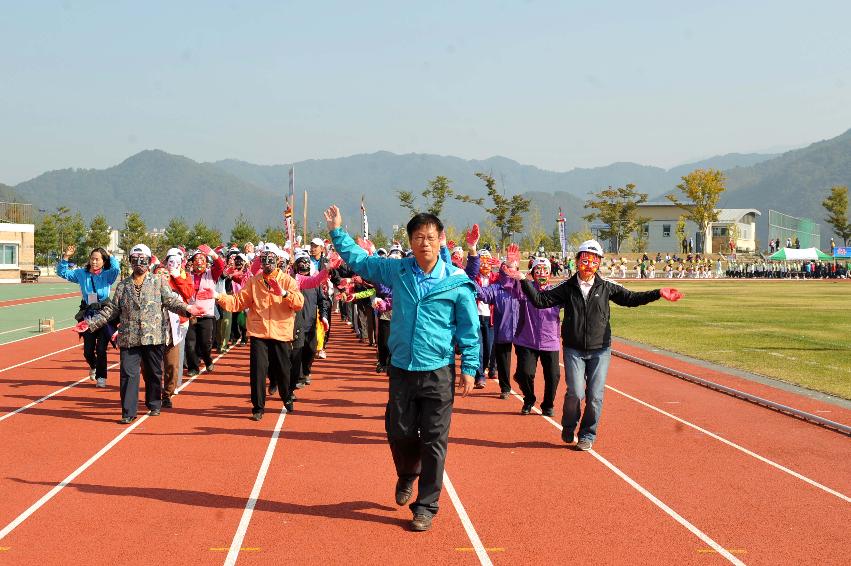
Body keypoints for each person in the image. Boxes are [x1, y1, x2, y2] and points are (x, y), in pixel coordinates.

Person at [325, 205, 479, 533]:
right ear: (410, 241)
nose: (424, 242)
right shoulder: (400, 272)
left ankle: (426, 506)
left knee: (435, 439)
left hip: (438, 370)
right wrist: (338, 231)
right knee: (398, 431)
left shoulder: (456, 282)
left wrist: (470, 365)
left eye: (430, 237)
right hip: (401, 368)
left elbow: (469, 327)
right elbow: (361, 261)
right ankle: (408, 473)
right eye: (418, 237)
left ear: (442, 241)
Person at [515, 240, 682, 451]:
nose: (588, 266)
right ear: (576, 262)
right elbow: (540, 300)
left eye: (593, 262)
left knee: (595, 396)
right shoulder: (566, 288)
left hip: (600, 349)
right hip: (574, 349)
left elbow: (630, 298)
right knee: (575, 393)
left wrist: (657, 293)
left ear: (599, 263)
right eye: (584, 261)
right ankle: (569, 425)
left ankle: (587, 434)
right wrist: (523, 280)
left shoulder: (607, 286)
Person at [77, 244, 203, 424]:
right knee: (128, 374)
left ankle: (154, 403)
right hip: (129, 338)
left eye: (143, 260)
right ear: (130, 262)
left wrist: (188, 308)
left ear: (149, 261)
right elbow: (111, 311)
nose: (139, 263)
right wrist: (89, 323)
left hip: (153, 337)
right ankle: (128, 411)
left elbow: (171, 302)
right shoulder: (122, 286)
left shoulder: (158, 282)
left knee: (153, 372)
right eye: (135, 260)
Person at [216, 244, 304, 420]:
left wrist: (284, 293)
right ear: (261, 262)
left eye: (271, 260)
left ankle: (287, 396)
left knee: (284, 370)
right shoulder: (254, 281)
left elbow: (299, 303)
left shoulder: (287, 280)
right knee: (258, 371)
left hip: (281, 331)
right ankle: (258, 407)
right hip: (258, 332)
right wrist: (219, 297)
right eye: (264, 260)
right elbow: (239, 301)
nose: (267, 263)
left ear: (278, 261)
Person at [57, 244, 121, 388]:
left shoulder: (107, 274)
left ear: (103, 261)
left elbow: (116, 268)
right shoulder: (81, 274)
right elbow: (63, 273)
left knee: (101, 349)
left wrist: (110, 255)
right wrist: (66, 257)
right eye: (92, 259)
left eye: (98, 259)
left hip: (105, 314)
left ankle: (101, 377)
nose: (94, 262)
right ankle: (93, 365)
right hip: (88, 315)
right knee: (88, 350)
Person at [185, 245, 226, 376]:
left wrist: (213, 254)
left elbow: (220, 266)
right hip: (191, 314)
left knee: (205, 343)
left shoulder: (211, 274)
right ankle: (193, 367)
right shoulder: (187, 276)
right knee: (190, 344)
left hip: (207, 314)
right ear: (192, 262)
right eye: (196, 259)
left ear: (207, 262)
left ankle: (208, 360)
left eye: (202, 258)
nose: (199, 261)